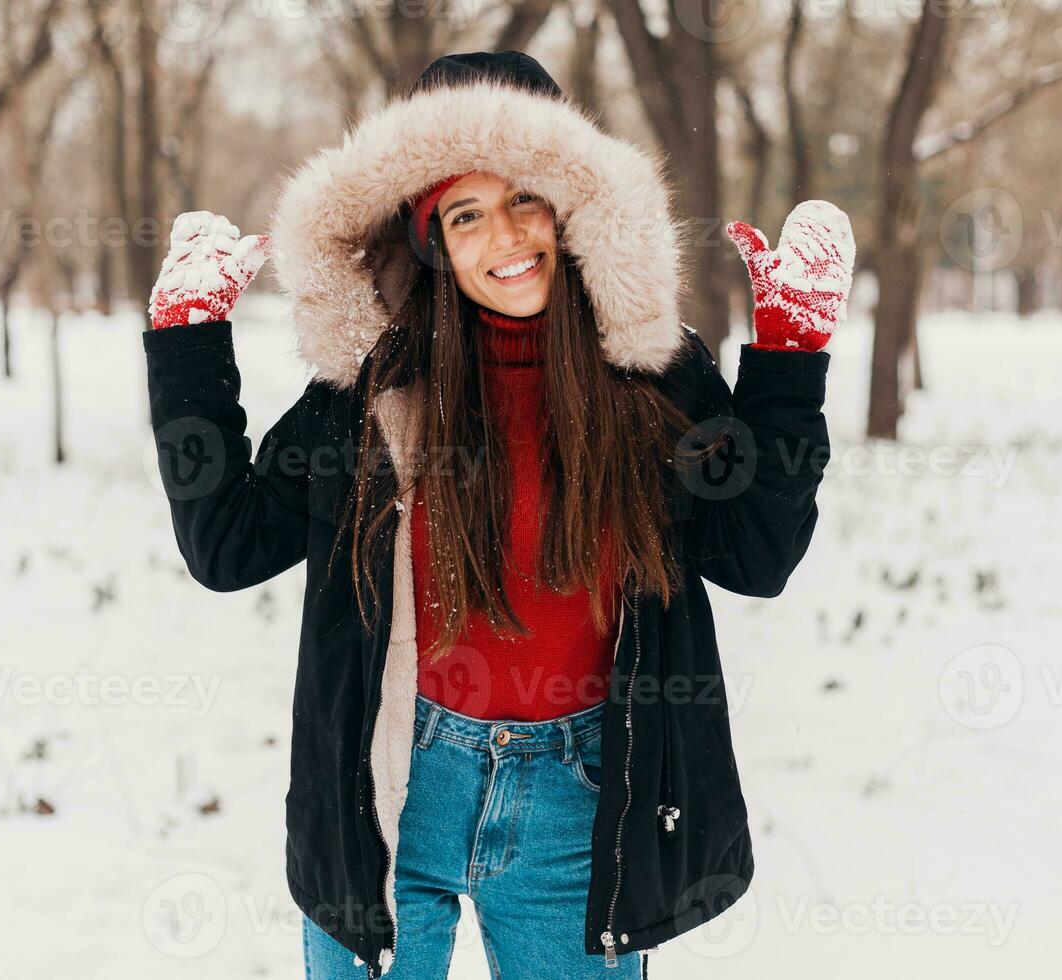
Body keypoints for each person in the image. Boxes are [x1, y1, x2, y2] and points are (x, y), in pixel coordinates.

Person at [144, 50, 853, 980]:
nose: (504, 237)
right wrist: (187, 345)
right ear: (432, 239)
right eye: (465, 214)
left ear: (571, 207)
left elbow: (756, 552)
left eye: (526, 199)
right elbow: (227, 545)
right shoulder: (376, 390)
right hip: (398, 784)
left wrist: (790, 361)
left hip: (580, 796)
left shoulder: (651, 374)